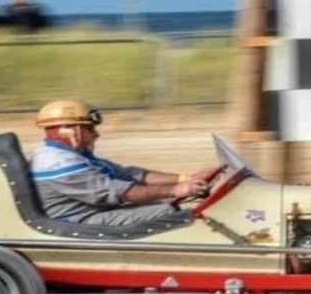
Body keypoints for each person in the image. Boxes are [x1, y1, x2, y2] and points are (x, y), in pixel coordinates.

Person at [29, 99, 221, 230]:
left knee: (169, 202)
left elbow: (128, 175)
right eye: (90, 128)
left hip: (92, 212)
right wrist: (175, 191)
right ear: (69, 131)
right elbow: (116, 192)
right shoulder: (56, 162)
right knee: (174, 213)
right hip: (78, 221)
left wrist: (185, 178)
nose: (96, 134)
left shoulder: (72, 155)